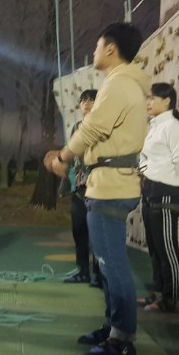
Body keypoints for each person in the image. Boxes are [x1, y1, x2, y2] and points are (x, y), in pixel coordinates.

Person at [44, 22, 148, 355]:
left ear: (111, 49)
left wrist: (63, 157)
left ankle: (122, 338)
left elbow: (92, 129)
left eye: (97, 45)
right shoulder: (124, 83)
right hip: (111, 182)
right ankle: (113, 327)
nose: (94, 51)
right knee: (107, 264)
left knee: (111, 264)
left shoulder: (118, 84)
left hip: (110, 186)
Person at [139, 82, 179, 312]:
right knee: (154, 248)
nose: (148, 102)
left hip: (166, 192)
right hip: (150, 192)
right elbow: (146, 158)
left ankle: (171, 298)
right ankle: (158, 292)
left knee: (167, 248)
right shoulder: (155, 126)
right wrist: (143, 175)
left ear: (167, 101)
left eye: (153, 98)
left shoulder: (172, 127)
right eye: (147, 98)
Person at [62, 89, 103, 288]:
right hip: (78, 188)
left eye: (91, 100)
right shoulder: (77, 127)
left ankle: (100, 274)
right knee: (79, 231)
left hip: (97, 187)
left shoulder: (102, 125)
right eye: (83, 100)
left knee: (98, 234)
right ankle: (83, 272)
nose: (86, 104)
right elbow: (70, 158)